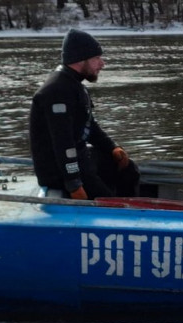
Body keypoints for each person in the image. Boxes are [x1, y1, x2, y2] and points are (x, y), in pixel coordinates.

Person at [30, 28, 139, 200]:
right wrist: (74, 185)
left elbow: (89, 126)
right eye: (97, 58)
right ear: (80, 59)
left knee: (128, 169)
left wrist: (112, 147)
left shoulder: (73, 85)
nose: (102, 64)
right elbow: (63, 143)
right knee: (108, 201)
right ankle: (123, 216)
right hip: (59, 172)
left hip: (80, 159)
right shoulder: (57, 92)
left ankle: (131, 206)